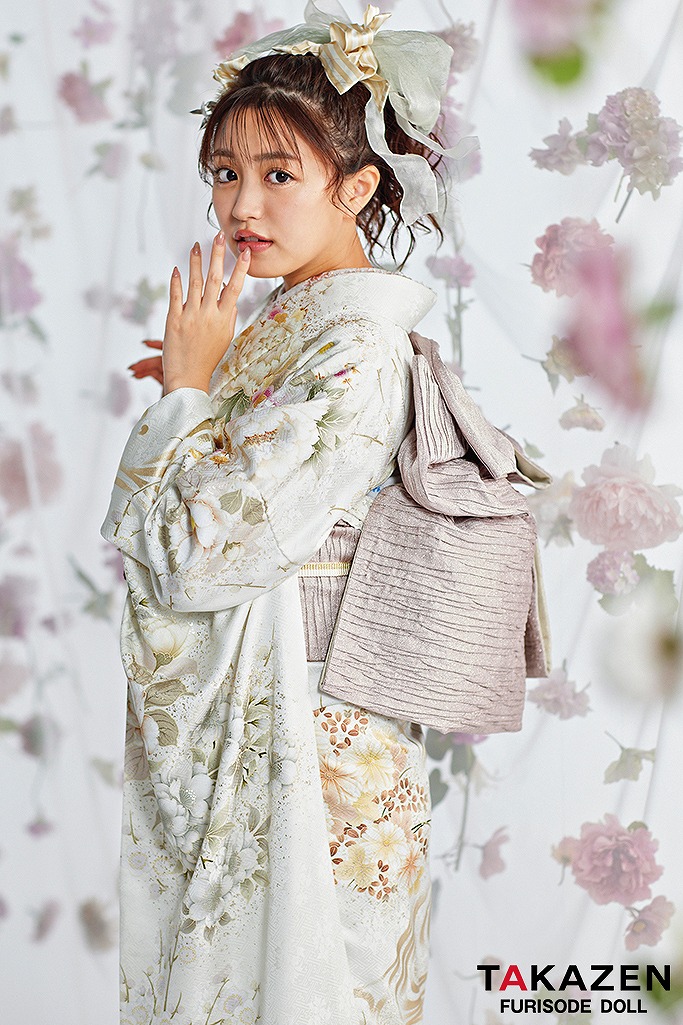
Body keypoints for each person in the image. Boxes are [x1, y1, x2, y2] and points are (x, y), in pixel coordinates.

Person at [101, 4, 478, 1023]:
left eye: (277, 174)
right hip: (289, 714)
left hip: (317, 737)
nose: (240, 203)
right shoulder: (289, 326)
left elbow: (199, 556)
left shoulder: (355, 345)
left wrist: (190, 396)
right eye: (224, 172)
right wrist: (212, 382)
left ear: (357, 185)